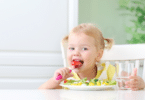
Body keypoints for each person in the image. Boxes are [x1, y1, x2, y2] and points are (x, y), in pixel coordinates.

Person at [38, 23, 145, 91]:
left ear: (98, 55)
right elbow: (41, 92)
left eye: (84, 49)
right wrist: (55, 80)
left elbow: (129, 79)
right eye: (71, 48)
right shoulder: (68, 77)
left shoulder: (108, 71)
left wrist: (139, 83)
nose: (76, 53)